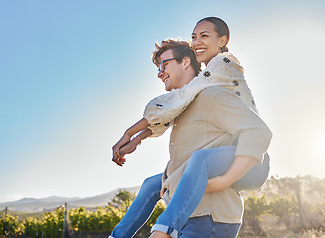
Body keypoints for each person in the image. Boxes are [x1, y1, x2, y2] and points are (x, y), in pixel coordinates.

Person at [110, 17, 272, 238]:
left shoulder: (213, 88)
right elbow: (165, 112)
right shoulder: (184, 104)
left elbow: (258, 131)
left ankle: (163, 229)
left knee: (200, 159)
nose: (159, 72)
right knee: (152, 183)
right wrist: (136, 138)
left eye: (163, 64)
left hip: (210, 219)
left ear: (186, 62)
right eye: (194, 37)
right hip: (191, 218)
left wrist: (225, 180)